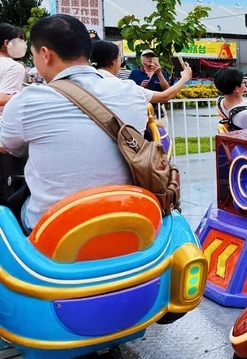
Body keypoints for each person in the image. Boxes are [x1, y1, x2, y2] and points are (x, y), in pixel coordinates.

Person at [0, 15, 148, 231]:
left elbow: (9, 147)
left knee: (10, 208)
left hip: (54, 230)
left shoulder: (27, 101)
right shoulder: (132, 93)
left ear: (45, 54)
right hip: (127, 218)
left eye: (33, 55)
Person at [90, 40, 193, 104]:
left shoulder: (86, 83)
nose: (121, 61)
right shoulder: (126, 86)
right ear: (113, 61)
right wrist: (184, 78)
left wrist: (159, 73)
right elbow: (165, 96)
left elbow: (165, 89)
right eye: (119, 58)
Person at [0, 24, 28, 116]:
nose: (24, 45)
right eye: (20, 41)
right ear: (7, 43)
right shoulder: (13, 67)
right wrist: (27, 96)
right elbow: (2, 98)